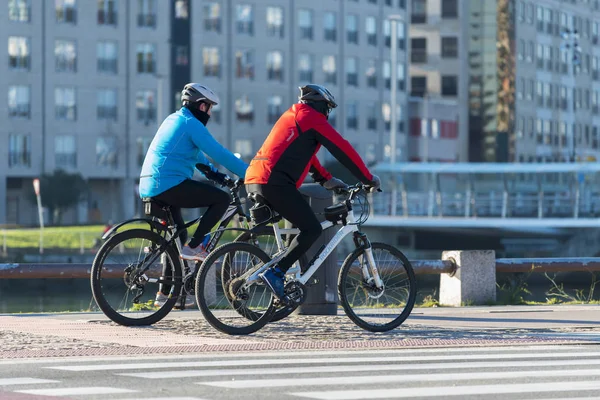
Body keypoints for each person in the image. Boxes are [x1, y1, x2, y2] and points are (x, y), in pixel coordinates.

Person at [244, 84, 380, 301]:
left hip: (255, 178)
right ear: (321, 106)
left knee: (303, 225)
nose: (327, 115)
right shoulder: (312, 118)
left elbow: (307, 156)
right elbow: (341, 148)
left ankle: (282, 274)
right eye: (328, 109)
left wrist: (326, 180)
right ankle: (276, 273)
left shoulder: (293, 116)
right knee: (312, 229)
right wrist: (367, 178)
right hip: (274, 181)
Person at [139, 83, 248, 307]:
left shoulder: (174, 119)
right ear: (201, 105)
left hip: (151, 185)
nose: (210, 113)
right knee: (222, 199)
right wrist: (251, 173)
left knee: (176, 240)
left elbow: (197, 158)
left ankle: (165, 296)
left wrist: (219, 177)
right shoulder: (191, 124)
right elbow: (219, 152)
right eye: (209, 108)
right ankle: (196, 245)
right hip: (168, 184)